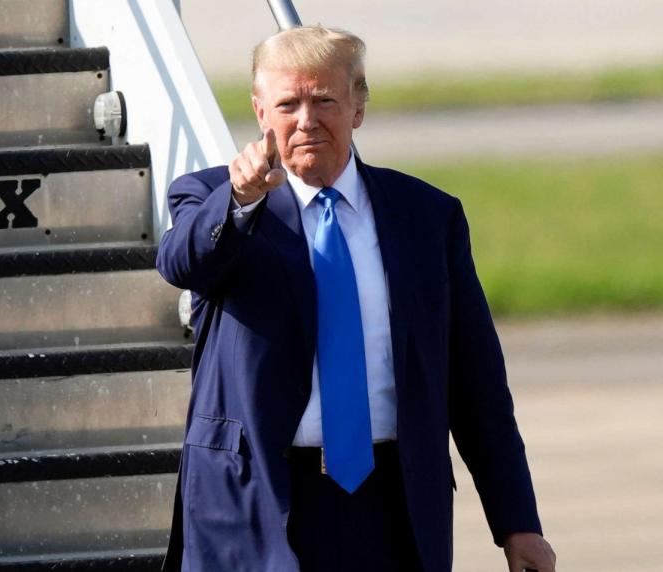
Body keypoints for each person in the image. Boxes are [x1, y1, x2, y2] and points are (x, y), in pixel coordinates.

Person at [156, 25, 556, 572]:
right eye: (287, 103)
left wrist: (518, 524)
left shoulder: (426, 217)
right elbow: (182, 263)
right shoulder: (212, 200)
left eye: (324, 100)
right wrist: (241, 200)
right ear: (259, 111)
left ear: (358, 107)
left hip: (392, 502)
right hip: (258, 503)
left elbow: (476, 384)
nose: (305, 120)